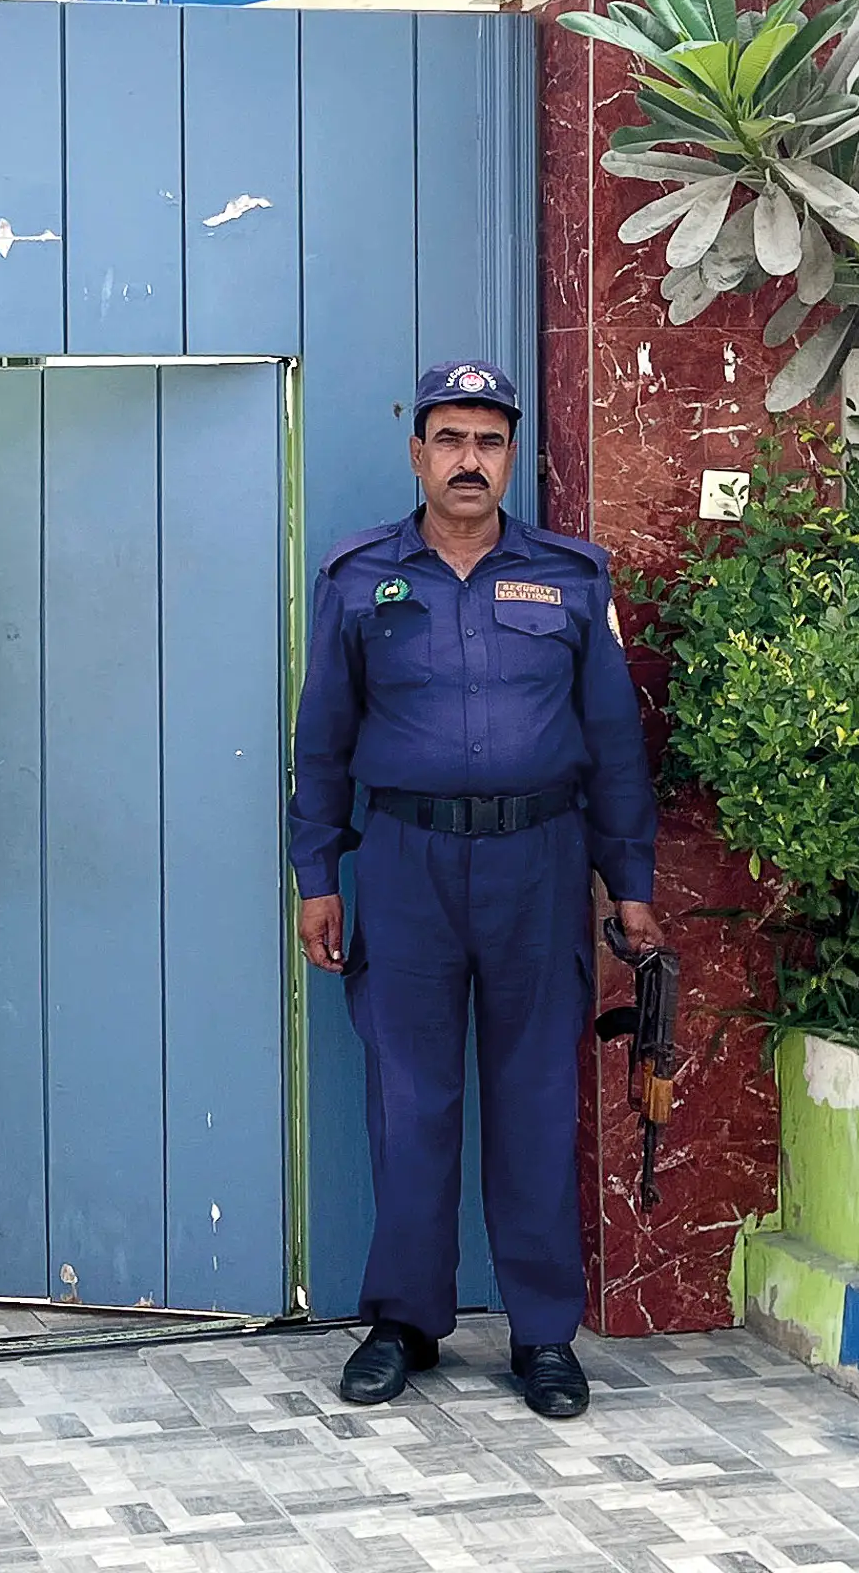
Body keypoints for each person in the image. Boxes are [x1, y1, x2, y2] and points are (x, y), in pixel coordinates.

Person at [288, 359, 661, 1420]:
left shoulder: (570, 576)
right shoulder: (361, 576)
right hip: (403, 864)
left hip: (538, 866)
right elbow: (323, 740)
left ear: (510, 457)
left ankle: (543, 1332)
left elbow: (611, 746)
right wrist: (319, 871)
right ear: (417, 453)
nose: (467, 459)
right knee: (410, 1100)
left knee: (536, 1097)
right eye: (448, 439)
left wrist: (625, 882)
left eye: (487, 441)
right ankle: (404, 1319)